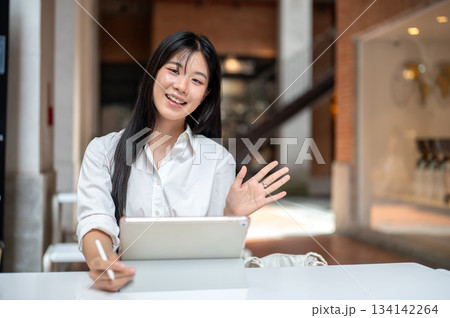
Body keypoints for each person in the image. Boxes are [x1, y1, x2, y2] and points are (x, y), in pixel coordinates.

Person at [77, 31, 290, 292]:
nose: (181, 86)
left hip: (196, 291)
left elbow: (215, 250)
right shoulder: (102, 151)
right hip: (127, 289)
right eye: (174, 70)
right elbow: (95, 222)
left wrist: (230, 215)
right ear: (153, 72)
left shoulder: (217, 160)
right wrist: (103, 262)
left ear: (206, 94)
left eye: (196, 80)